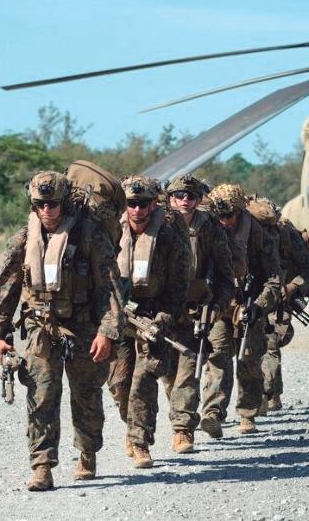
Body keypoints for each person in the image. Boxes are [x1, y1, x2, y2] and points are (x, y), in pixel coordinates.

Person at [0, 170, 124, 491]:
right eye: (41, 204)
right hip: (40, 326)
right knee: (41, 392)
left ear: (65, 203)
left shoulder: (89, 235)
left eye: (53, 204)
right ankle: (42, 466)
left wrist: (106, 331)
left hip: (83, 325)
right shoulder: (26, 238)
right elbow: (6, 288)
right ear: (33, 205)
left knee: (86, 394)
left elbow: (110, 287)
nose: (47, 210)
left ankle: (87, 452)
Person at [113, 175, 189, 468]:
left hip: (154, 317)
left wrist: (163, 319)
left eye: (143, 204)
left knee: (143, 379)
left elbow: (179, 286)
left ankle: (140, 442)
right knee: (120, 384)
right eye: (132, 204)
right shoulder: (110, 232)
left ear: (153, 204)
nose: (137, 210)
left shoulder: (168, 236)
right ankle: (133, 426)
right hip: (118, 316)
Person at [200, 184, 282, 437]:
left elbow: (273, 278)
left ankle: (247, 413)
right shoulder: (209, 231)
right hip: (220, 304)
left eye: (229, 216)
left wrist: (260, 304)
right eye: (219, 216)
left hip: (250, 303)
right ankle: (213, 413)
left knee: (249, 359)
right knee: (217, 356)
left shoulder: (258, 235)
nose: (224, 221)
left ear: (238, 212)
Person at [163, 175, 234, 453]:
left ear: (198, 199)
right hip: (161, 309)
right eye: (179, 195)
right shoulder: (158, 225)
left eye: (190, 196)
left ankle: (183, 430)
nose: (185, 200)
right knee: (167, 373)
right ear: (170, 198)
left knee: (190, 366)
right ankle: (177, 413)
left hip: (196, 308)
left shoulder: (210, 228)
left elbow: (226, 276)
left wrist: (217, 306)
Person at [256, 198, 309, 411]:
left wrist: (291, 287)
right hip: (251, 298)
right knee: (253, 347)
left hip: (280, 301)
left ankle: (266, 394)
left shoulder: (286, 234)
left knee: (269, 343)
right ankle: (271, 394)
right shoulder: (241, 233)